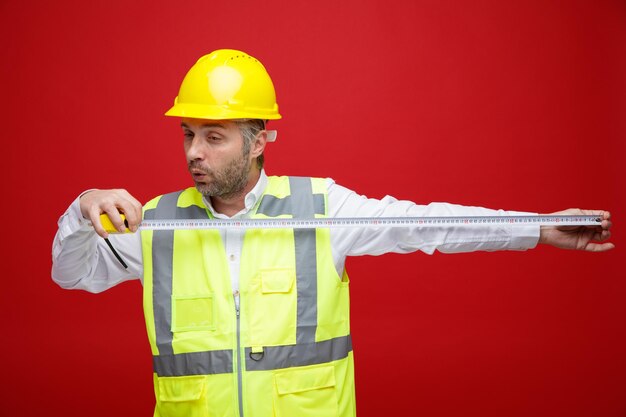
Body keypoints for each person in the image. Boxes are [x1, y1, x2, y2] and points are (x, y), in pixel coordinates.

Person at [51, 49, 613, 417]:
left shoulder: (323, 207)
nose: (194, 152)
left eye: (214, 136)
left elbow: (425, 224)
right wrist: (81, 209)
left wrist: (535, 228)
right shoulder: (158, 221)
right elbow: (71, 274)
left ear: (259, 139)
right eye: (189, 134)